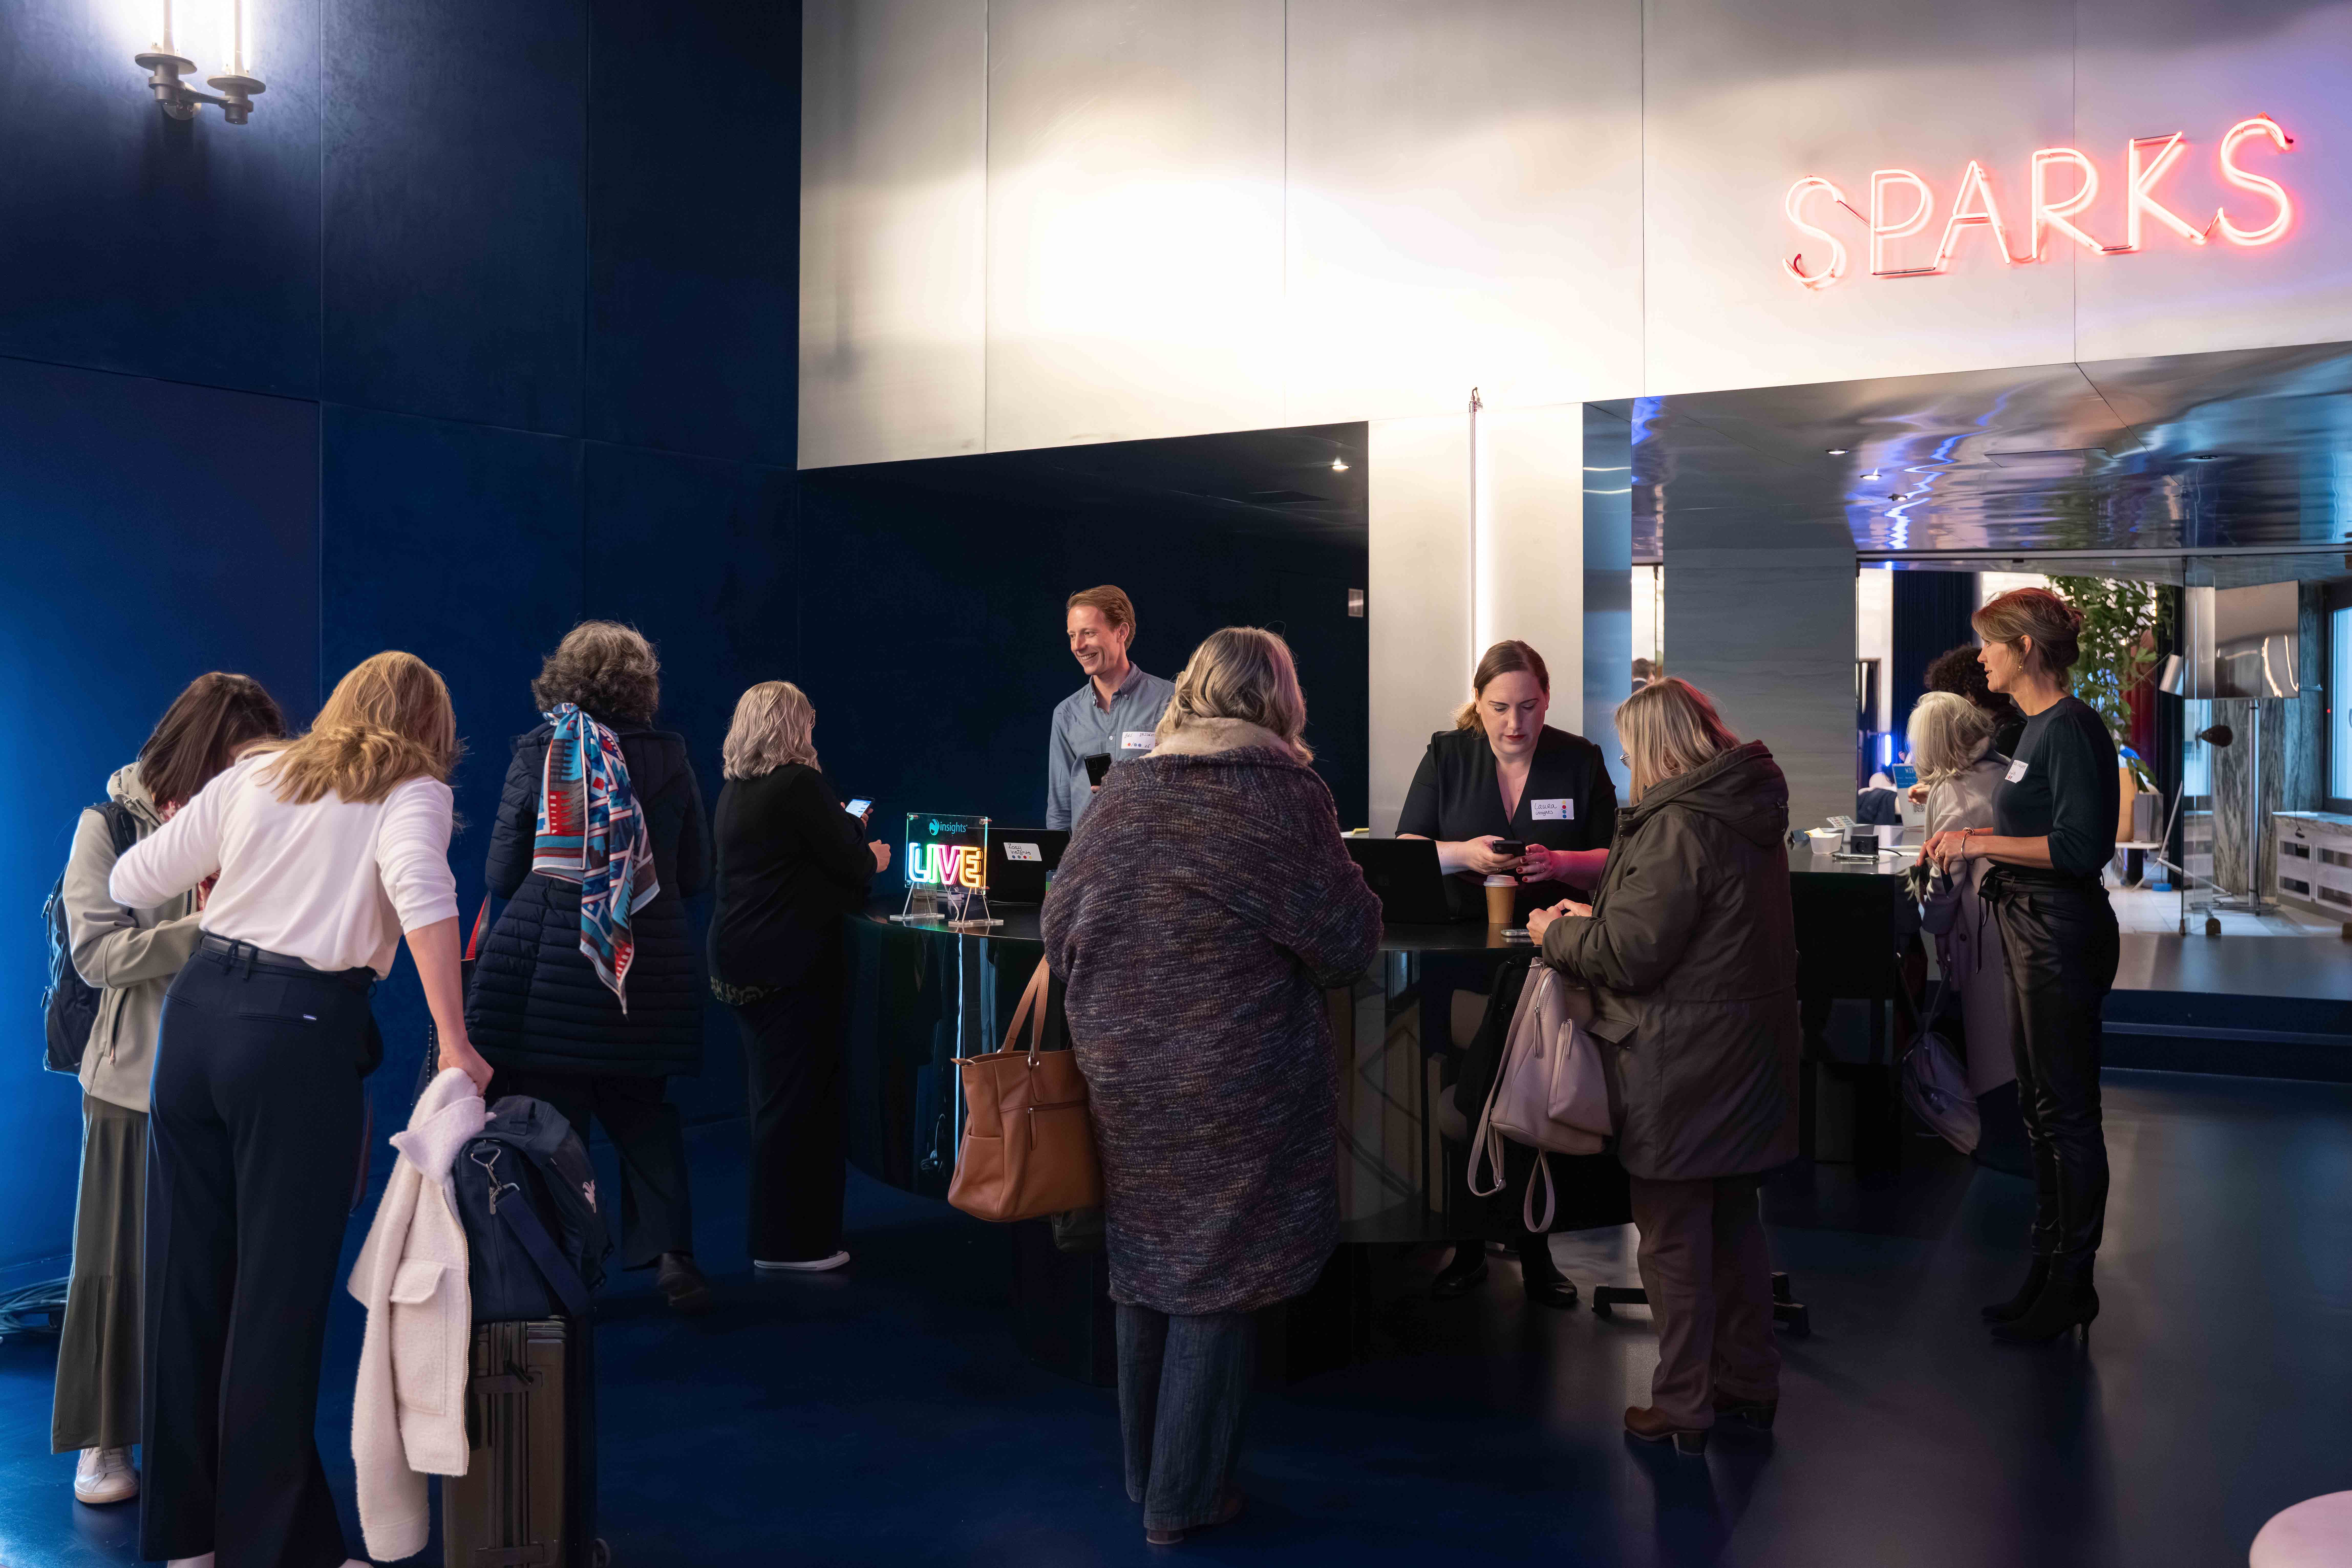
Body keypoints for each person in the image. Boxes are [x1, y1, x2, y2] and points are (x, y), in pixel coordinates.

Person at [111, 650, 490, 1568]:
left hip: (197, 1029)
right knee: (276, 1302)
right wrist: (454, 1038)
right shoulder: (415, 787)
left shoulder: (261, 769)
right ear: (430, 730)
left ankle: (188, 1536)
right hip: (297, 1034)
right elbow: (420, 885)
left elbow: (132, 881)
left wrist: (244, 880)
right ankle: (276, 1549)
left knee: (191, 1285)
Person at [1042, 627, 1381, 1545]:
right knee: (1216, 1272)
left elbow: (1059, 915)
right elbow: (1347, 943)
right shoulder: (1283, 793)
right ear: (1280, 702)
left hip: (1121, 1066)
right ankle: (1184, 1495)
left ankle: (1143, 1472)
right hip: (1233, 1071)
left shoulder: (1130, 786)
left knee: (1146, 1260)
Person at [1527, 678, 1798, 1455]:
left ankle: (1680, 1405)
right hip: (1745, 1054)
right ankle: (1747, 1380)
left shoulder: (1678, 824)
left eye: (1626, 750)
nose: (1622, 763)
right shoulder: (1743, 814)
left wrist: (1554, 930)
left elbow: (1629, 953)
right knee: (1734, 1226)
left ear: (1652, 747)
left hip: (1681, 1061)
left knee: (1672, 1237)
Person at [52, 673, 285, 1509]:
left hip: (229, 1071)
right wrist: (209, 927)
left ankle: (207, 1437)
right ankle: (103, 1440)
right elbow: (100, 956)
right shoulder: (109, 823)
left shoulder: (255, 809)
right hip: (130, 1082)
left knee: (215, 1269)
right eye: (233, 761)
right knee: (115, 1267)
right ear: (196, 751)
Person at [467, 622, 715, 1314]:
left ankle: (557, 1264)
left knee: (551, 1123)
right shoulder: (670, 756)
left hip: (550, 972)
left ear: (566, 678)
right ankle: (674, 1257)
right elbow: (696, 872)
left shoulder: (541, 751)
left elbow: (501, 869)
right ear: (642, 683)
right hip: (646, 971)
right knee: (644, 1114)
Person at [1924, 588, 2119, 1345]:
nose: (1980, 658)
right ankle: (2047, 1269)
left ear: (2024, 649)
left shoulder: (2068, 727)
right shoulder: (2037, 730)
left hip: (2058, 931)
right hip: (2031, 928)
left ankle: (2071, 1281)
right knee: (2041, 1110)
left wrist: (1972, 842)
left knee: (2065, 1112)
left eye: (1989, 644)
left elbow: (2078, 847)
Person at [1398, 639, 1617, 1308]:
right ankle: (1466, 1239)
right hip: (1460, 952)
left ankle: (1535, 1243)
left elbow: (1617, 856)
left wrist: (1563, 865)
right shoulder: (1448, 752)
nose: (1514, 722)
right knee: (1467, 1092)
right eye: (1499, 707)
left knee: (1531, 1088)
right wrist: (1463, 851)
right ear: (1478, 702)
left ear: (1546, 702)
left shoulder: (1576, 758)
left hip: (1547, 954)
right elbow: (1409, 852)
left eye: (1527, 706)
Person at [708, 681, 890, 1273]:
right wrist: (872, 851)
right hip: (788, 967)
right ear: (792, 727)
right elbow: (851, 868)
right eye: (807, 724)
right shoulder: (799, 785)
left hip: (737, 963)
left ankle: (778, 1239)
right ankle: (793, 1246)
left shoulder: (737, 790)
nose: (811, 734)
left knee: (773, 1104)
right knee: (798, 1107)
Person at [1906, 691, 2011, 1102]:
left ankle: (1992, 1140)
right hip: (2011, 918)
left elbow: (1947, 872)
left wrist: (1931, 923)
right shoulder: (2002, 770)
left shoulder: (1953, 790)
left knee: (1987, 1039)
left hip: (1978, 927)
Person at [1046, 584, 1176, 833]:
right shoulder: (1066, 714)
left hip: (1152, 860)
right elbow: (1060, 810)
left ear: (1121, 632)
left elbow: (1187, 788)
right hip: (1087, 865)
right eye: (1072, 635)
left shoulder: (1171, 701)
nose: (1078, 646)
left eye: (1089, 633)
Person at [1925, 641, 2027, 762]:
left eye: (1952, 701)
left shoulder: (2004, 738)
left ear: (1971, 696)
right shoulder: (2009, 728)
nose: (1949, 711)